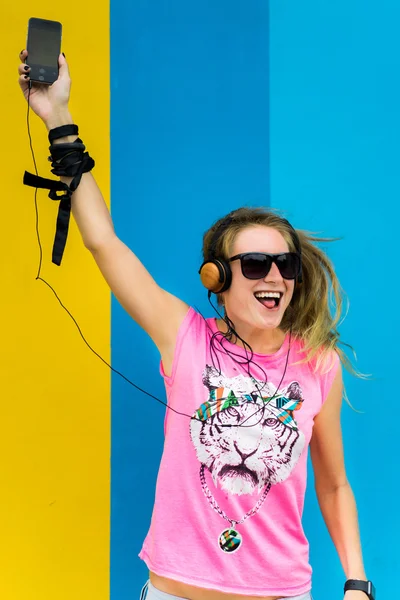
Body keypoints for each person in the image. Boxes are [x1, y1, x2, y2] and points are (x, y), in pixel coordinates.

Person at [18, 51, 375, 600]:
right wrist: (57, 116)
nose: (274, 276)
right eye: (255, 265)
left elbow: (333, 483)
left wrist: (356, 582)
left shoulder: (318, 363)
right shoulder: (184, 337)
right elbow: (103, 242)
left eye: (286, 265)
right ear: (217, 278)